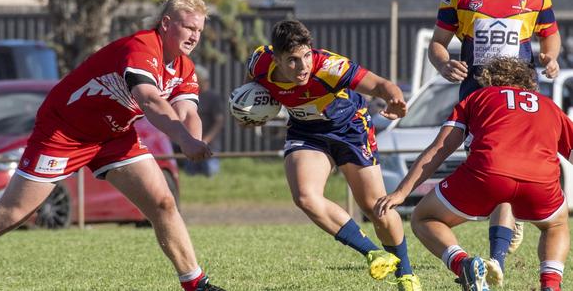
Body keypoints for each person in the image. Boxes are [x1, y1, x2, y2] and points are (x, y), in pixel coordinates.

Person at [0, 0, 225, 291]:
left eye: (199, 29)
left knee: (163, 202)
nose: (194, 36)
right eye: (188, 27)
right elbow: (149, 101)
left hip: (113, 135)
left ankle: (196, 284)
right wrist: (184, 140)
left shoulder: (183, 66)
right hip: (66, 131)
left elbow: (188, 110)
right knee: (13, 211)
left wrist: (193, 141)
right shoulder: (141, 48)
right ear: (166, 23)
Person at [237, 19, 421, 290]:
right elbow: (251, 93)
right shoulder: (259, 62)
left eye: (306, 57)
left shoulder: (330, 67)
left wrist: (396, 100)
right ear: (275, 58)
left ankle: (405, 272)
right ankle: (373, 253)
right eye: (292, 61)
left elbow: (381, 84)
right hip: (306, 133)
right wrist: (250, 115)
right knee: (305, 197)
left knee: (375, 207)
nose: (302, 68)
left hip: (350, 129)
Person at [428, 0, 562, 281]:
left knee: (504, 163)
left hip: (520, 98)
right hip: (476, 96)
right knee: (492, 166)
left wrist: (549, 59)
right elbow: (438, 42)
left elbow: (551, 37)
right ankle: (504, 233)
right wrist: (443, 63)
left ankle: (496, 259)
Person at [375, 57, 571, 291]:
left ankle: (464, 264)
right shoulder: (549, 106)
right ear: (529, 83)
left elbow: (440, 148)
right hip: (540, 180)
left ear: (489, 79)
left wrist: (401, 192)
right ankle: (550, 285)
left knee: (423, 218)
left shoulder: (477, 97)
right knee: (556, 225)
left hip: (488, 173)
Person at [184, 66, 225, 177]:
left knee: (210, 174)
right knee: (190, 175)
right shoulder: (191, 96)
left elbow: (219, 122)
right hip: (192, 145)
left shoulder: (213, 98)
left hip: (210, 147)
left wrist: (205, 140)